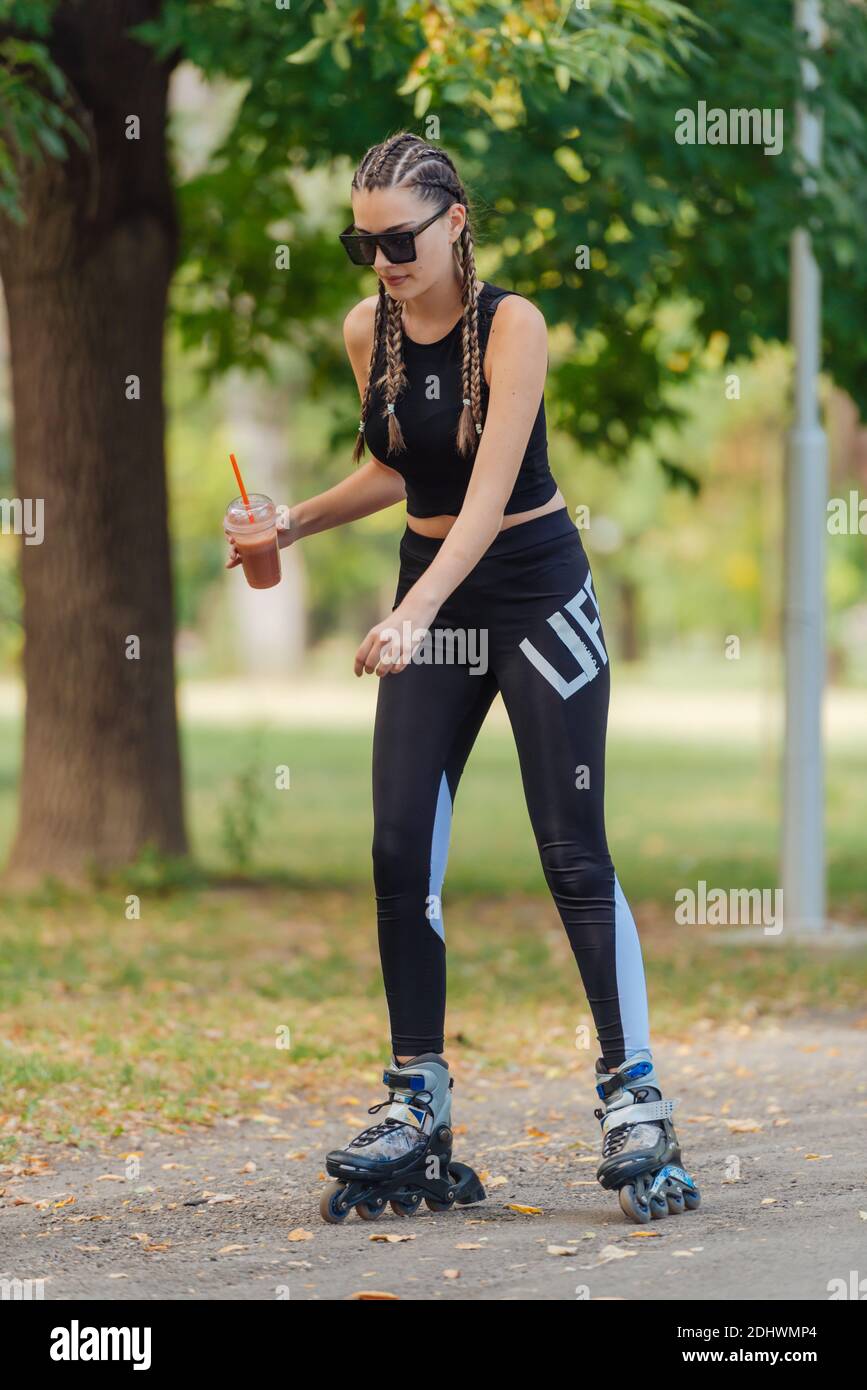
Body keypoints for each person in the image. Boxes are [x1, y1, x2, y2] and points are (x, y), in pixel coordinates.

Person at [226, 131, 699, 1224]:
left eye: (400, 239)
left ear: (456, 222)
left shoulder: (513, 325)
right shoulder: (369, 330)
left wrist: (411, 613)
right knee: (399, 845)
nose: (382, 259)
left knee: (571, 848)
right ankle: (418, 1100)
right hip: (430, 590)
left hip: (533, 591)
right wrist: (284, 524)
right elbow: (401, 469)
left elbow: (485, 496)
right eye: (361, 242)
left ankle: (634, 1094)